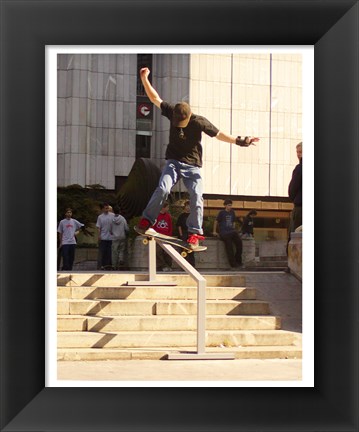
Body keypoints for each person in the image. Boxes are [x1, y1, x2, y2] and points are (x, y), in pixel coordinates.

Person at [135, 67, 259, 251]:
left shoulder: (200, 121)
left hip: (193, 166)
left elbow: (220, 134)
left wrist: (242, 141)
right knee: (163, 188)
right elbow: (155, 98)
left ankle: (194, 233)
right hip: (173, 162)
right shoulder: (171, 110)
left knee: (197, 196)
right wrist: (144, 78)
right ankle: (147, 220)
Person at [213, 199, 243, 268]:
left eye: (231, 205)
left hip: (231, 231)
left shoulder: (232, 212)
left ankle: (238, 260)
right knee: (229, 247)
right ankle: (233, 264)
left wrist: (233, 228)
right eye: (229, 205)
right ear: (225, 206)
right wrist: (214, 231)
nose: (230, 207)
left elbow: (234, 222)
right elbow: (216, 221)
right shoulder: (221, 213)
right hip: (224, 233)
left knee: (239, 243)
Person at [288, 142, 302, 242]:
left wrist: (294, 198)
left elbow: (292, 189)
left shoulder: (299, 168)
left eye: (301, 152)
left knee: (296, 239)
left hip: (300, 208)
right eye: (297, 152)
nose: (298, 155)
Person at [153, 201, 173, 272]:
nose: (168, 209)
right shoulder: (156, 215)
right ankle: (161, 266)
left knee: (167, 252)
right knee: (158, 252)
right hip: (158, 236)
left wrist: (169, 236)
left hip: (166, 237)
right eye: (167, 207)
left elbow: (170, 226)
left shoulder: (168, 216)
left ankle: (168, 265)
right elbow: (153, 226)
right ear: (163, 208)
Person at [176, 200, 196, 267]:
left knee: (191, 250)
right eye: (187, 206)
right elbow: (179, 226)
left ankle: (192, 265)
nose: (188, 207)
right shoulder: (182, 216)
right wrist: (181, 234)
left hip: (191, 234)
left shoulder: (193, 215)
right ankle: (184, 266)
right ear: (185, 207)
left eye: (189, 206)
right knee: (183, 250)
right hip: (183, 233)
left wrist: (194, 234)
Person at [96, 203, 114, 269]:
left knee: (109, 252)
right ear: (103, 209)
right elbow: (98, 227)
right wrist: (99, 235)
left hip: (111, 237)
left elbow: (115, 224)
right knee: (103, 252)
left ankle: (109, 265)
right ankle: (103, 265)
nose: (107, 209)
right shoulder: (100, 217)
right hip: (103, 237)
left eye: (108, 208)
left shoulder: (112, 215)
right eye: (106, 208)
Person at [111, 205, 129, 270]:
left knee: (114, 251)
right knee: (121, 250)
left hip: (114, 237)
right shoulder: (123, 219)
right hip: (122, 236)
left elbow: (110, 229)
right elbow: (126, 228)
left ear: (113, 211)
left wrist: (112, 232)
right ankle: (120, 260)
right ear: (120, 211)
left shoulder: (111, 219)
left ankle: (114, 265)